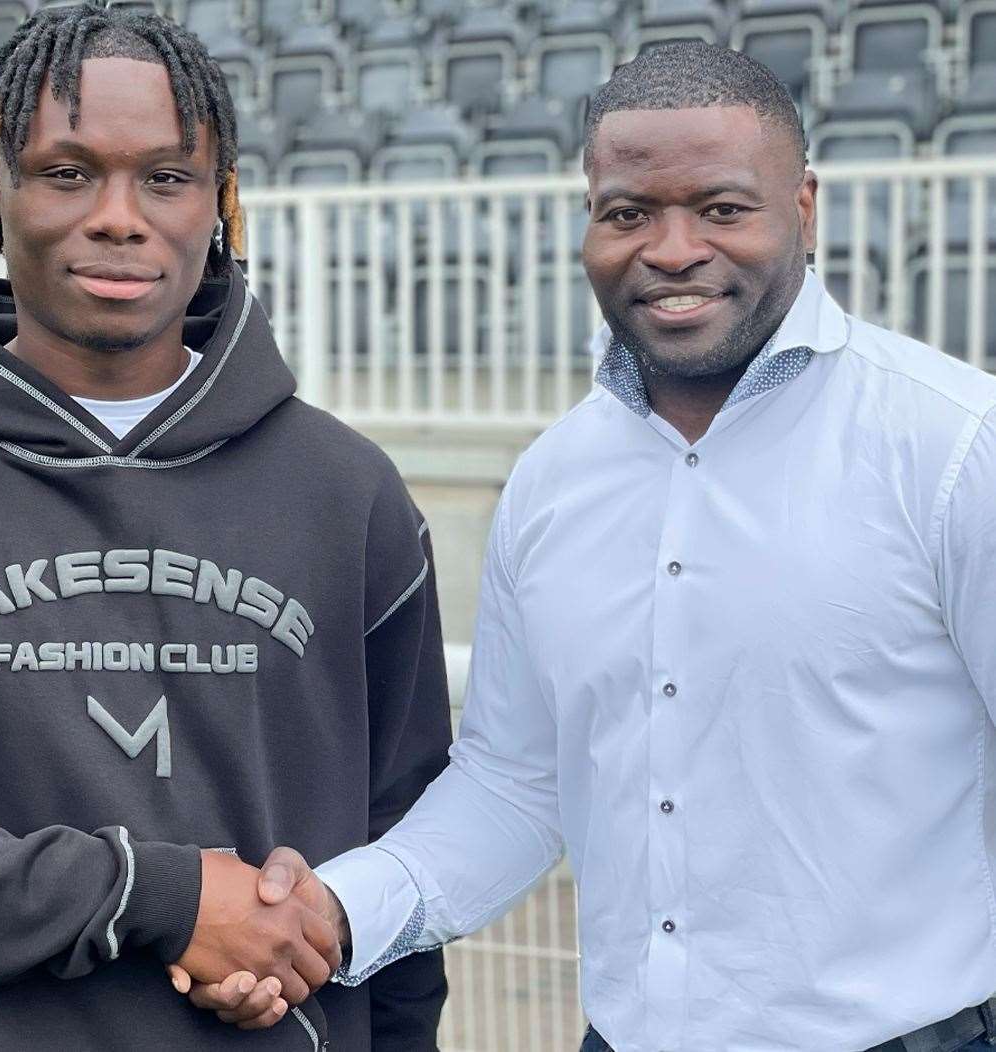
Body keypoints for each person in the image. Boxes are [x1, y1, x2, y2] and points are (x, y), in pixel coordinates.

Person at [192, 41, 996, 1052]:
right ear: (588, 223)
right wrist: (329, 914)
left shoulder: (956, 448)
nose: (671, 248)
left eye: (721, 207)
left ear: (805, 208)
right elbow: (514, 787)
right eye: (628, 213)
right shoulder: (551, 482)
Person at [0, 5, 450, 1050]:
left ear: (221, 201)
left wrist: (302, 945)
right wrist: (154, 896)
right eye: (66, 172)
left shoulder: (348, 494)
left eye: (167, 177)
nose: (120, 216)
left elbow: (409, 857)